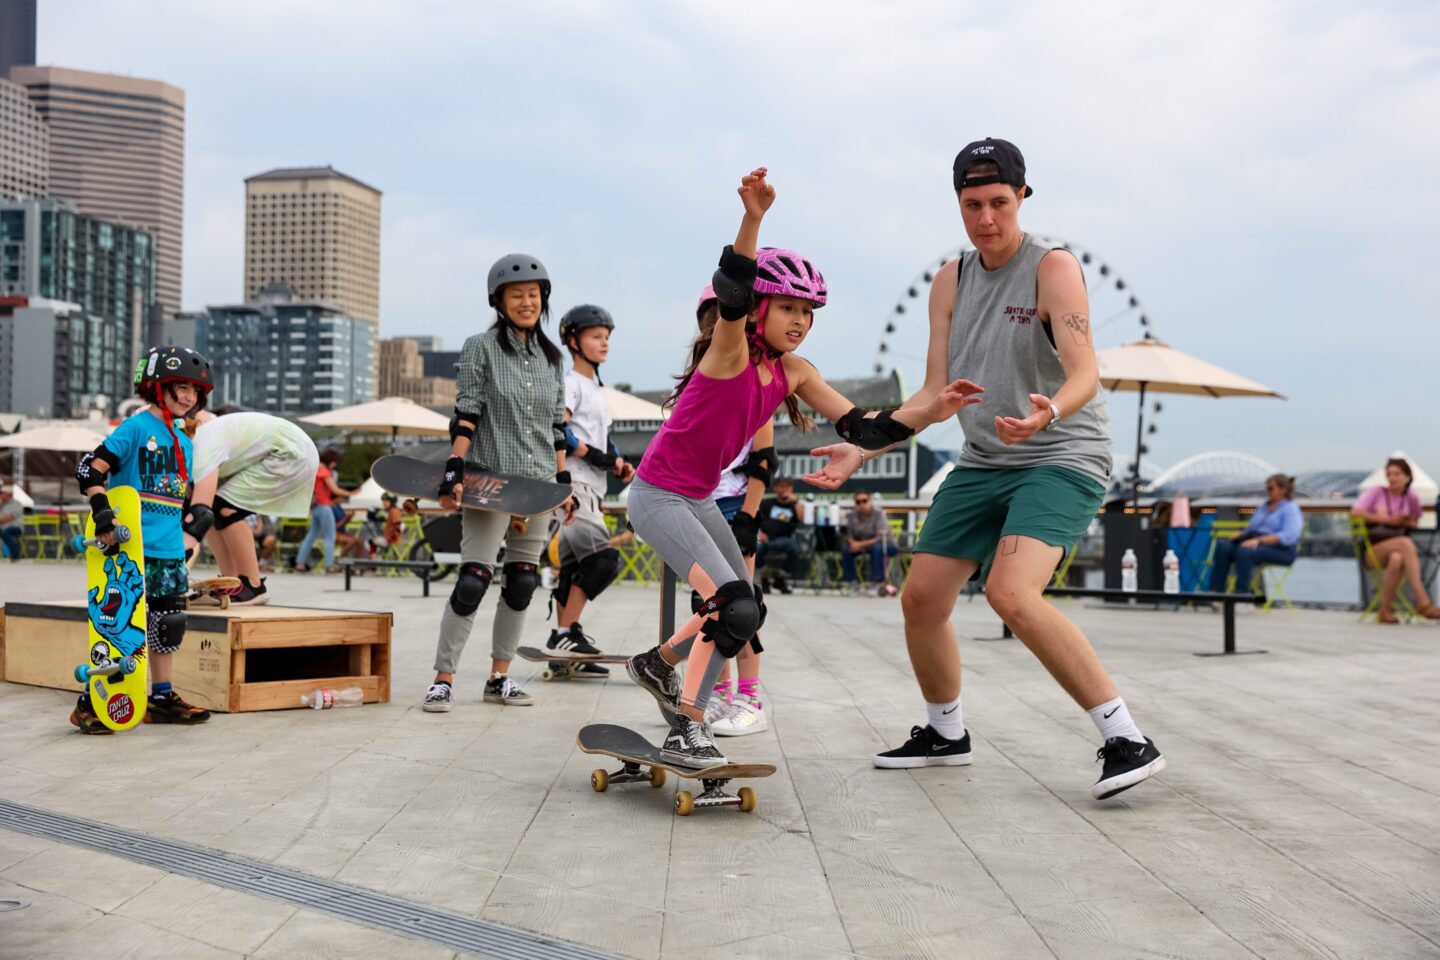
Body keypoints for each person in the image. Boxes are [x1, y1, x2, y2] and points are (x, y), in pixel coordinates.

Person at [807, 139, 1165, 800]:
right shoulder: (950, 281)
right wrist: (866, 445)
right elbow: (934, 394)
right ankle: (946, 734)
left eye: (999, 202)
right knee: (920, 600)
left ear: (1022, 197)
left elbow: (1088, 371)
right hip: (981, 460)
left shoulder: (1052, 268)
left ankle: (1126, 737)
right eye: (972, 205)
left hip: (1062, 454)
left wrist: (1048, 412)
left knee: (1011, 593)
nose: (986, 218)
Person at [622, 167, 979, 766]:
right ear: (759, 309)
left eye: (807, 312)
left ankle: (656, 664)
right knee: (729, 605)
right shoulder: (730, 349)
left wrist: (932, 411)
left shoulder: (795, 372)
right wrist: (753, 219)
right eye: (787, 307)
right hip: (657, 496)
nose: (799, 321)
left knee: (747, 608)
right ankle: (687, 726)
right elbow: (733, 285)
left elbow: (864, 426)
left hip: (700, 498)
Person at [423, 252, 578, 713]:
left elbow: (556, 427)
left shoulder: (554, 359)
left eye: (533, 295)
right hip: (489, 481)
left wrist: (563, 480)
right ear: (500, 301)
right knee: (473, 578)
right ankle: (443, 679)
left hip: (537, 487)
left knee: (523, 582)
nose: (526, 302)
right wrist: (454, 469)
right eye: (517, 295)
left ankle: (499, 676)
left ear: (543, 299)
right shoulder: (480, 347)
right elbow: (466, 412)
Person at [71, 345, 216, 732]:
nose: (188, 396)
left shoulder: (185, 441)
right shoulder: (136, 427)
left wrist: (194, 521)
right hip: (128, 545)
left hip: (168, 549)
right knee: (119, 624)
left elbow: (171, 497)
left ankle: (162, 697)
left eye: (194, 391)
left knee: (169, 623)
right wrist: (102, 513)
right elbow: (90, 469)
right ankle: (93, 701)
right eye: (180, 387)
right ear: (157, 386)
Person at [690, 284, 776, 738]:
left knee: (744, 605)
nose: (717, 325)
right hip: (696, 503)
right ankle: (721, 694)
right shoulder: (700, 377)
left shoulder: (757, 379)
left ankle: (750, 697)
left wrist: (748, 517)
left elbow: (765, 460)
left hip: (734, 504)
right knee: (709, 607)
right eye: (710, 317)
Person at [547, 303, 635, 672]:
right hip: (574, 485)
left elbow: (600, 438)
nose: (605, 343)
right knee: (602, 559)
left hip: (592, 487)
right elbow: (559, 432)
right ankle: (566, 631)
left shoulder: (597, 389)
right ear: (573, 341)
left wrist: (616, 461)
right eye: (596, 336)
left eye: (607, 337)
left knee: (573, 569)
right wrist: (589, 459)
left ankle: (566, 644)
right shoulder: (570, 385)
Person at [184, 407, 320, 604]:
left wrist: (177, 558)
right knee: (214, 511)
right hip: (290, 449)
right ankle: (231, 583)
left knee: (223, 509)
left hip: (289, 453)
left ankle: (252, 585)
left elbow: (197, 511)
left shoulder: (201, 446)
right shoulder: (201, 440)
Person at [1352, 457, 1440, 622]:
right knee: (1405, 543)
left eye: (1397, 474)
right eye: (1389, 474)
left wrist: (1404, 520)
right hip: (1373, 550)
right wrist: (1383, 519)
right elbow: (1355, 512)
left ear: (1407, 477)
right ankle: (1422, 601)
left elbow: (1415, 521)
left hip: (1398, 548)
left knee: (1397, 558)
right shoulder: (1377, 492)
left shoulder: (1411, 498)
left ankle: (1384, 611)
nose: (1392, 478)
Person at [1206, 473, 1302, 594]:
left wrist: (1260, 540)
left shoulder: (1290, 508)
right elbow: (1253, 528)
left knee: (1245, 551)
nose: (1268, 491)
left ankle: (1242, 595)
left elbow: (1289, 536)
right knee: (1224, 547)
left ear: (1283, 489)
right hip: (1256, 541)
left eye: (1271, 488)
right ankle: (1215, 592)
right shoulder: (1264, 506)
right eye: (1267, 488)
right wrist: (1241, 535)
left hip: (1282, 549)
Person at [293, 449, 350, 573]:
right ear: (330, 461)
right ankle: (329, 565)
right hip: (324, 506)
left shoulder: (314, 470)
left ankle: (300, 564)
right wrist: (353, 493)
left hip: (315, 507)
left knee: (311, 536)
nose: (335, 465)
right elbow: (335, 490)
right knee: (330, 536)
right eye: (335, 462)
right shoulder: (324, 471)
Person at [841, 491, 898, 594]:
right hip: (864, 546)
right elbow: (846, 533)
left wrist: (859, 544)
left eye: (864, 501)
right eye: (858, 502)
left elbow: (881, 537)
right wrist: (852, 543)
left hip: (887, 544)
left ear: (870, 501)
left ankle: (876, 583)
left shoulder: (879, 514)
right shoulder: (851, 515)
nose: (861, 504)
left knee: (877, 548)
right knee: (846, 549)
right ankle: (852, 583)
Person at [755, 477, 805, 594]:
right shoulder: (766, 503)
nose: (784, 489)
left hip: (784, 538)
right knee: (758, 548)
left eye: (787, 487)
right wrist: (760, 533)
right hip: (764, 537)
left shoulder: (795, 505)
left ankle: (780, 577)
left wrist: (796, 502)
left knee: (793, 549)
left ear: (792, 489)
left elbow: (802, 520)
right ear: (775, 488)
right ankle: (764, 578)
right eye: (781, 486)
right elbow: (756, 519)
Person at [0, 483, 24, 561]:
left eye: (2, 493)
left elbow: (9, 518)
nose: (1, 495)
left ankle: (15, 555)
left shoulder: (17, 504)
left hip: (15, 528)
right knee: (4, 531)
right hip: (2, 527)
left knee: (5, 532)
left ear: (8, 494)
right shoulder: (1, 504)